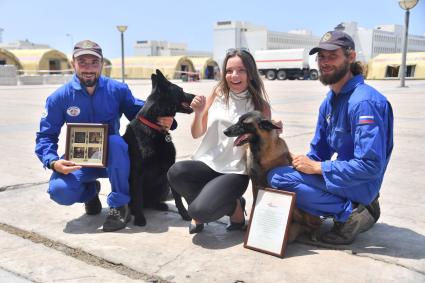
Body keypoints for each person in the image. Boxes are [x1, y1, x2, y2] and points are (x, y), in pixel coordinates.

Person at [267, 31, 394, 244]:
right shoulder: (330, 101)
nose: (324, 63)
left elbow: (371, 166)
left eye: (332, 56)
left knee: (280, 179)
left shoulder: (364, 103)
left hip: (362, 184)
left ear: (350, 57)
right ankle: (342, 207)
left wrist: (318, 168)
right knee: (278, 175)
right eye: (321, 57)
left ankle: (352, 213)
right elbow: (319, 152)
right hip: (341, 179)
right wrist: (297, 162)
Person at [35, 40, 174, 232]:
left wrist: (167, 121)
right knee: (60, 191)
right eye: (82, 62)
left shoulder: (117, 90)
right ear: (72, 63)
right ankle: (90, 193)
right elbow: (46, 136)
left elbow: (141, 112)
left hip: (115, 161)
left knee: (116, 142)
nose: (88, 68)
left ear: (101, 64)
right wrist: (52, 162)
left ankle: (119, 205)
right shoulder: (59, 98)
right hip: (80, 160)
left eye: (94, 62)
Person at [167, 48, 271, 234]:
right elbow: (196, 133)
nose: (234, 75)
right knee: (175, 172)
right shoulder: (217, 93)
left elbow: (265, 148)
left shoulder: (260, 106)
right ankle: (223, 203)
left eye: (241, 70)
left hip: (234, 171)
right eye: (229, 70)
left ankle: (234, 210)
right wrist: (198, 113)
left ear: (251, 73)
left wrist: (272, 132)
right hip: (208, 163)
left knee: (200, 211)